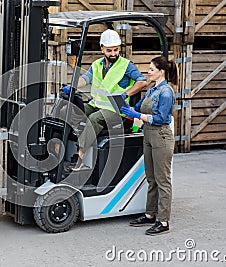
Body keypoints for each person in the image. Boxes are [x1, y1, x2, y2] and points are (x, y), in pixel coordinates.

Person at [61, 29, 147, 170]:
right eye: (109, 50)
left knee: (94, 119)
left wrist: (126, 94)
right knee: (66, 111)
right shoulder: (96, 65)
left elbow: (143, 81)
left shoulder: (126, 65)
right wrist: (73, 87)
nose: (113, 53)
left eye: (116, 50)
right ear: (102, 49)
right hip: (97, 104)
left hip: (117, 110)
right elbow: (85, 78)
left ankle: (79, 157)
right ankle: (60, 149)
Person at [120, 56, 177, 235]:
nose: (148, 72)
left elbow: (161, 118)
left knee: (163, 180)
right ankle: (150, 215)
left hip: (161, 136)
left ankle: (163, 221)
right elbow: (138, 107)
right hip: (148, 135)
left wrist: (139, 116)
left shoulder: (166, 92)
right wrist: (125, 105)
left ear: (161, 71)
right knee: (151, 178)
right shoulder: (152, 89)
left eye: (151, 69)